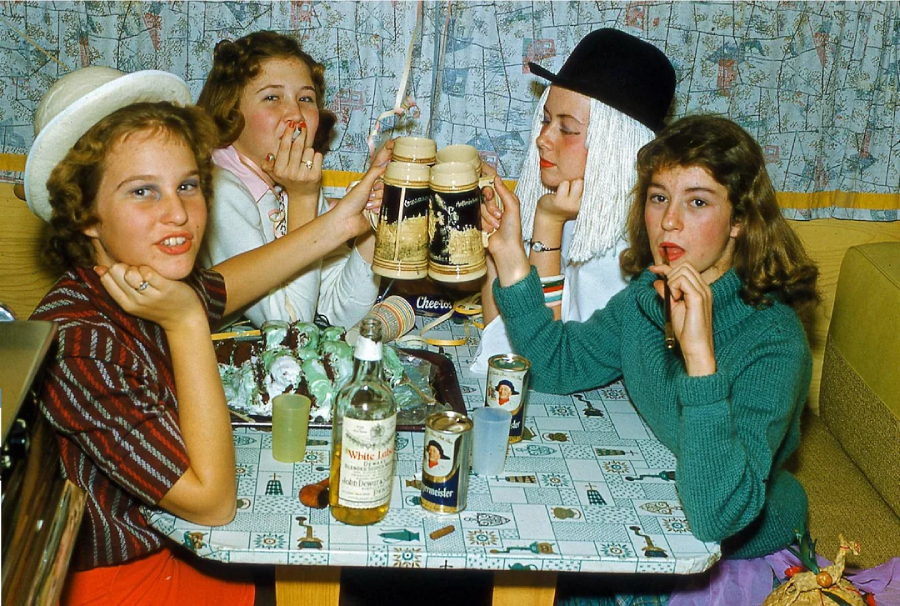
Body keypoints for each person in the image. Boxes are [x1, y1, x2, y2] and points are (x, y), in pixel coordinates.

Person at [24, 66, 384, 605]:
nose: (179, 213)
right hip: (133, 581)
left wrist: (341, 223)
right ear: (86, 216)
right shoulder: (79, 345)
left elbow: (232, 280)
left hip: (182, 547)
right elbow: (214, 503)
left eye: (187, 185)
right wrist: (188, 322)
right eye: (143, 191)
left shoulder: (134, 282)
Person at [486, 114, 823, 604]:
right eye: (659, 196)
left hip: (736, 543)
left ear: (740, 221)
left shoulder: (774, 343)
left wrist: (700, 357)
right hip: (661, 496)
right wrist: (512, 261)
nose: (669, 220)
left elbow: (717, 514)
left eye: (698, 201)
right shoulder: (649, 294)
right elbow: (558, 363)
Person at [472, 28, 676, 375]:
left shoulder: (619, 246)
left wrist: (547, 228)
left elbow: (545, 361)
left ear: (615, 144)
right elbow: (502, 338)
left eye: (567, 130)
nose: (542, 139)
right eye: (547, 120)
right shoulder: (568, 203)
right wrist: (495, 246)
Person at [197, 30, 391, 329]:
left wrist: (373, 220)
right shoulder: (221, 190)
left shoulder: (291, 181)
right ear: (230, 112)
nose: (295, 114)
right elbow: (290, 328)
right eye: (272, 97)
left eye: (306, 98)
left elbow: (335, 312)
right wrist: (302, 200)